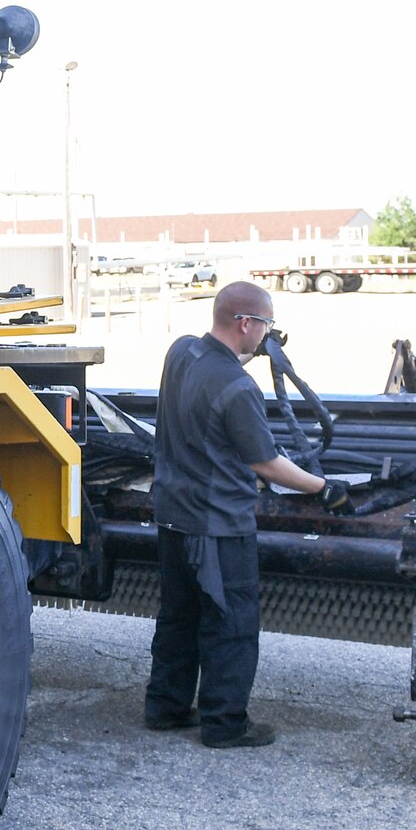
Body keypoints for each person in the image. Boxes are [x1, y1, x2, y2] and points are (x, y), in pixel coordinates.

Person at [143, 281, 352, 747]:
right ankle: (224, 724)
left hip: (172, 514)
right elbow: (266, 463)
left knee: (178, 616)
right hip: (216, 524)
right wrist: (324, 488)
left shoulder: (181, 353)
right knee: (231, 623)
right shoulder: (238, 387)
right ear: (245, 323)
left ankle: (165, 707)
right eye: (266, 324)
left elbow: (205, 431)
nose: (267, 335)